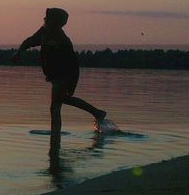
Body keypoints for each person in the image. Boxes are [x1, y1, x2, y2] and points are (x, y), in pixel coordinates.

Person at [12, 8, 114, 148]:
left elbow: (73, 64)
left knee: (55, 107)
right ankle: (97, 113)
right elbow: (30, 41)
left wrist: (72, 84)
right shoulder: (44, 32)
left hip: (65, 75)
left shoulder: (62, 39)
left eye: (46, 18)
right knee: (63, 100)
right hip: (56, 76)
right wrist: (19, 51)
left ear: (55, 22)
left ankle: (55, 138)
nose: (44, 20)